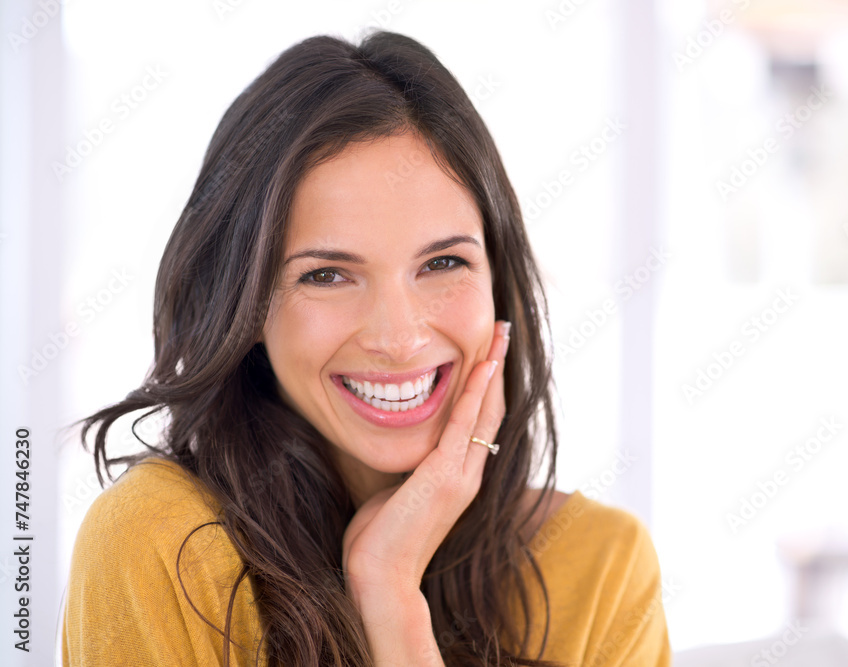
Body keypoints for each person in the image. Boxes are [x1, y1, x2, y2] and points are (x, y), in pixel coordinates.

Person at [60, 31, 671, 666]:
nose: (398, 337)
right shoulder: (160, 544)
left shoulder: (602, 565)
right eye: (326, 275)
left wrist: (389, 594)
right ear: (245, 304)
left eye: (441, 262)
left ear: (498, 277)